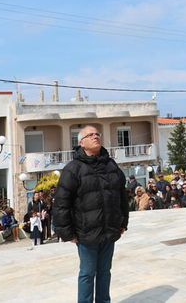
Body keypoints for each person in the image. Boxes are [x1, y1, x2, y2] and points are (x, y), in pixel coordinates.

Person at [52, 125, 129, 303]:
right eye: (90, 135)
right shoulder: (73, 169)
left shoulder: (111, 165)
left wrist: (123, 222)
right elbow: (61, 203)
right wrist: (67, 233)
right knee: (87, 273)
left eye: (97, 134)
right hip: (86, 233)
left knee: (104, 272)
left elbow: (121, 195)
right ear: (81, 142)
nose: (95, 137)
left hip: (109, 231)